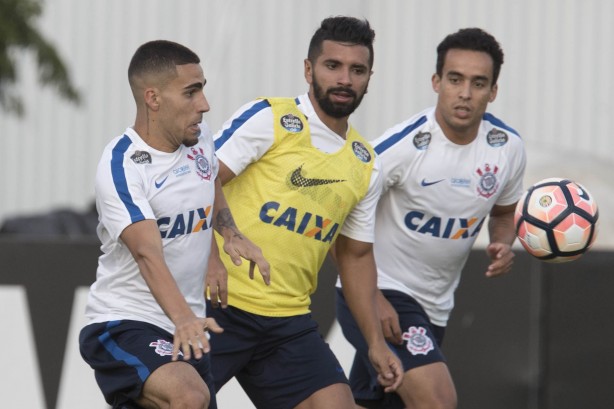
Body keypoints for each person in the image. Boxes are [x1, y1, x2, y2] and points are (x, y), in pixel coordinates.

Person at [207, 16, 403, 409]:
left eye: (357, 70)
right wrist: (215, 251)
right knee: (181, 398)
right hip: (216, 306)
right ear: (308, 69)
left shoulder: (365, 163)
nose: (345, 79)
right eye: (333, 66)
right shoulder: (270, 119)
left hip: (286, 321)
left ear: (369, 77)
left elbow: (355, 256)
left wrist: (375, 344)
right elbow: (198, 180)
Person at [336, 27, 527, 408]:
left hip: (436, 306)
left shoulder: (507, 149)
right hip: (381, 294)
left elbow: (504, 214)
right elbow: (336, 215)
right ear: (437, 82)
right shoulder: (403, 146)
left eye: (478, 83)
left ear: (493, 91)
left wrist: (503, 242)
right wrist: (371, 296)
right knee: (436, 400)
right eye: (455, 79)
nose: (465, 93)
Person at [78, 40, 270, 409]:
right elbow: (147, 253)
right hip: (125, 320)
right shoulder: (122, 165)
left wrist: (229, 233)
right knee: (188, 396)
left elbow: (209, 179)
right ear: (153, 98)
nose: (204, 104)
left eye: (203, 89)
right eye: (191, 92)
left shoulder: (201, 138)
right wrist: (183, 318)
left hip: (187, 326)